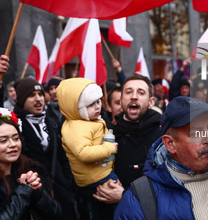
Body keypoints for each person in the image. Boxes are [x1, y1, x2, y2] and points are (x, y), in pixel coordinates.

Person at [13, 78, 77, 220]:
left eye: (40, 94)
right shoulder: (14, 125)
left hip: (60, 190)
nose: (38, 99)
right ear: (21, 99)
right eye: (31, 95)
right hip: (33, 191)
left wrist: (68, 183)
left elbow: (63, 157)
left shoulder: (52, 122)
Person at [56, 78, 118, 220]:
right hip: (98, 177)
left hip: (98, 172)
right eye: (90, 104)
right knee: (119, 207)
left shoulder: (87, 121)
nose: (97, 107)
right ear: (75, 108)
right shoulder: (76, 127)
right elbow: (83, 153)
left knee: (100, 210)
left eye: (98, 102)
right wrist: (108, 148)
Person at [0, 107, 61, 219]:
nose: (13, 144)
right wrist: (24, 190)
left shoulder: (30, 169)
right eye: (3, 140)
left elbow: (55, 212)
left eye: (16, 138)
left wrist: (37, 191)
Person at [112, 74, 162, 189]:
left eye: (141, 93)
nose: (134, 97)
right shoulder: (108, 135)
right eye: (128, 92)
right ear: (121, 100)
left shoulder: (162, 138)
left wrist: (124, 196)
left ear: (151, 102)